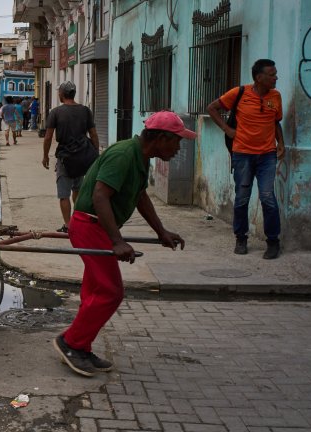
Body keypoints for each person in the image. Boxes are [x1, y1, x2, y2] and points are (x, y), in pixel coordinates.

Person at [51, 111, 192, 377]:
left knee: (95, 291)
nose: (178, 148)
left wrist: (161, 231)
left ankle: (80, 347)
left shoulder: (141, 157)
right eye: (177, 141)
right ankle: (70, 343)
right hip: (89, 225)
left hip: (98, 226)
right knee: (110, 292)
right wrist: (117, 241)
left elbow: (140, 197)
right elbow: (100, 195)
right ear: (161, 138)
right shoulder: (124, 154)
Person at [206, 59, 285, 259]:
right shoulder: (239, 93)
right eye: (272, 74)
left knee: (267, 197)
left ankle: (273, 241)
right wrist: (226, 128)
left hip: (267, 154)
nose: (276, 77)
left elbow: (275, 122)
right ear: (259, 78)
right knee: (242, 198)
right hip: (242, 154)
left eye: (276, 74)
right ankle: (241, 238)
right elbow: (212, 108)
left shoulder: (276, 96)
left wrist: (281, 144)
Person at [43, 81, 101, 233]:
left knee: (64, 194)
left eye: (59, 93)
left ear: (62, 94)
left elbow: (48, 137)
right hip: (83, 157)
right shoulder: (85, 111)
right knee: (78, 190)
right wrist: (96, 155)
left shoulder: (56, 112)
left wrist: (45, 156)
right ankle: (78, 220)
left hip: (65, 158)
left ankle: (69, 225)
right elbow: (93, 134)